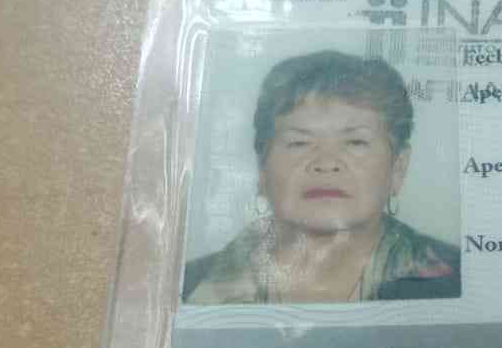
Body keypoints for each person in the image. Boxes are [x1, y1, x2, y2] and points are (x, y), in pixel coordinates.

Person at [183, 50, 461, 304]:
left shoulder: (453, 281)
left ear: (398, 167)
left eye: (355, 142)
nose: (326, 163)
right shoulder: (187, 288)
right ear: (262, 169)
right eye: (299, 143)